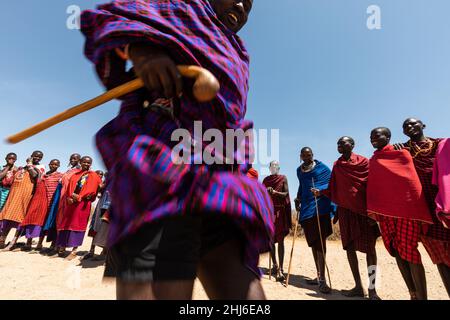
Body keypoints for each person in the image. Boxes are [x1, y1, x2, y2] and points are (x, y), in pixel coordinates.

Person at [81, 0, 274, 300]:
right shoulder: (182, 7)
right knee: (160, 279)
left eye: (249, 6)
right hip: (161, 167)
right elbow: (110, 17)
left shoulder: (239, 51)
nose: (241, 5)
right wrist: (141, 51)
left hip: (220, 177)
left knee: (241, 285)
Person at [312, 137, 381, 300]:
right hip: (345, 212)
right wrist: (320, 192)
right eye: (337, 144)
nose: (339, 146)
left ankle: (372, 289)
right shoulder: (337, 165)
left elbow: (373, 186)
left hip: (363, 212)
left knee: (370, 250)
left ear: (352, 145)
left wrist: (374, 212)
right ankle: (358, 286)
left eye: (343, 143)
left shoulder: (364, 162)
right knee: (349, 248)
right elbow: (333, 187)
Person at [368, 127, 432, 300]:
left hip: (406, 212)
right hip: (386, 214)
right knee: (396, 250)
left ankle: (422, 297)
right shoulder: (373, 160)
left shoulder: (402, 154)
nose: (373, 138)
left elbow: (410, 182)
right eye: (371, 136)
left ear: (388, 137)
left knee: (410, 252)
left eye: (377, 135)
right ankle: (412, 293)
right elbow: (375, 187)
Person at [394, 118, 450, 296]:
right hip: (423, 210)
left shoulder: (441, 145)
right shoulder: (403, 150)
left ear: (423, 125)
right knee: (440, 258)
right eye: (405, 126)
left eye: (413, 123)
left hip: (445, 205)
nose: (409, 127)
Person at [294, 147, 334, 294]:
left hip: (320, 207)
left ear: (312, 155)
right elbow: (302, 186)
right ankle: (318, 276)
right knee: (313, 242)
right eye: (303, 155)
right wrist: (298, 198)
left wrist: (321, 191)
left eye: (308, 155)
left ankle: (323, 279)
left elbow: (331, 184)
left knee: (320, 244)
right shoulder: (299, 171)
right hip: (306, 208)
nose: (306, 157)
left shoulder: (322, 168)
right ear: (300, 156)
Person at [56, 156, 102, 260]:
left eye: (88, 162)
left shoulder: (94, 176)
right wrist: (70, 197)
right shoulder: (75, 175)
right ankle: (62, 247)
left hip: (83, 205)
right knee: (66, 223)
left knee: (78, 225)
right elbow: (69, 188)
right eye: (84, 162)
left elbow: (94, 191)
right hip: (71, 202)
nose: (86, 164)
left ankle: (74, 250)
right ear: (80, 162)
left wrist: (82, 196)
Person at [0, 151, 45, 250]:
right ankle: (2, 240)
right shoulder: (21, 169)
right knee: (6, 217)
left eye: (39, 157)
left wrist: (29, 165)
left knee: (19, 220)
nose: (37, 158)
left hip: (25, 197)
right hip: (13, 196)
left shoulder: (39, 168)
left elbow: (35, 176)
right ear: (31, 155)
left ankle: (13, 242)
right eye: (35, 156)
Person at [21, 160, 63, 252]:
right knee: (33, 219)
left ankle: (40, 243)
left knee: (44, 222)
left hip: (51, 203)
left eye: (56, 164)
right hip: (40, 201)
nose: (53, 166)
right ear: (49, 164)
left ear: (59, 166)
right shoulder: (43, 174)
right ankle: (29, 242)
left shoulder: (60, 176)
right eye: (51, 164)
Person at [43, 153, 81, 256]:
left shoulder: (78, 172)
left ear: (79, 160)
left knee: (63, 222)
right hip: (60, 196)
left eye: (76, 158)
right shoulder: (69, 170)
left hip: (67, 198)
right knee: (57, 221)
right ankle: (55, 246)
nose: (73, 160)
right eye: (72, 158)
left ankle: (60, 248)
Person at [263, 161, 291, 282]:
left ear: (279, 167)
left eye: (276, 166)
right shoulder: (265, 180)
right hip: (269, 212)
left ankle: (281, 268)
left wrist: (274, 192)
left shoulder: (283, 178)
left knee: (280, 240)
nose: (274, 167)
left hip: (279, 212)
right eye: (272, 165)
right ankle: (274, 265)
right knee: (270, 240)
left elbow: (286, 194)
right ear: (269, 168)